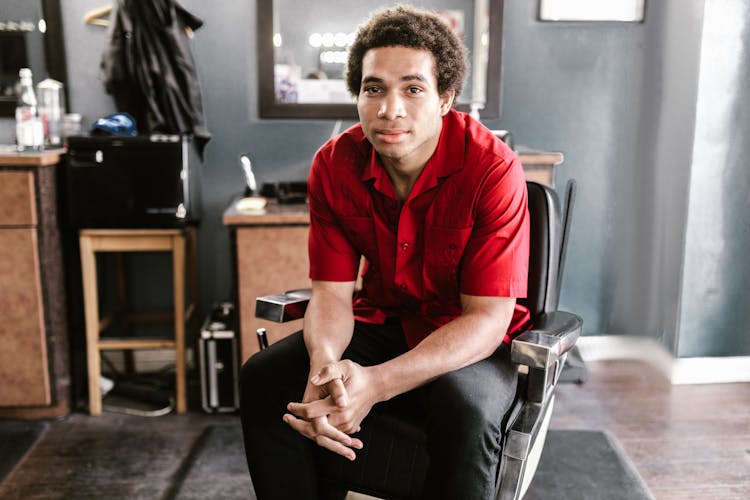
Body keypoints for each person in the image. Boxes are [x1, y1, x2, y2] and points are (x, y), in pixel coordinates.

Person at [240, 6, 530, 499]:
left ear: (446, 98)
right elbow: (330, 296)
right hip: (385, 321)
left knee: (466, 410)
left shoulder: (491, 169)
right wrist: (325, 368)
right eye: (374, 88)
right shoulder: (334, 165)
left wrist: (377, 383)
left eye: (413, 89)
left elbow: (486, 319)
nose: (389, 109)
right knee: (266, 378)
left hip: (467, 337)